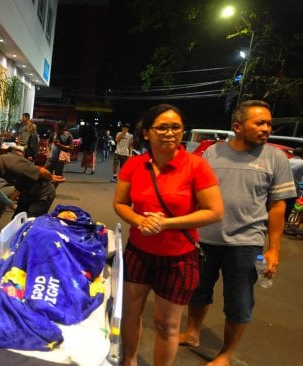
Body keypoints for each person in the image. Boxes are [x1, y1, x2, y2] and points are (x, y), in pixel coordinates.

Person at [179, 100, 296, 366]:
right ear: (237, 127)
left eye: (269, 123)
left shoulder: (275, 158)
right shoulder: (212, 154)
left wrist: (274, 249)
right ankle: (192, 333)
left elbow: (277, 207)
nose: (267, 128)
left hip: (246, 245)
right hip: (205, 240)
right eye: (260, 123)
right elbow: (193, 193)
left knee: (239, 303)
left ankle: (225, 355)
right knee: (197, 292)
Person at [112, 104, 224, 366]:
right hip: (138, 254)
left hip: (179, 259)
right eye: (162, 127)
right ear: (147, 133)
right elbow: (119, 204)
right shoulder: (134, 165)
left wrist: (166, 224)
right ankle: (129, 360)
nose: (170, 132)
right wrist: (139, 220)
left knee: (167, 325)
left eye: (176, 127)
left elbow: (214, 211)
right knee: (129, 313)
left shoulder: (196, 166)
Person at [0, 148, 56, 218]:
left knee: (28, 225)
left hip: (42, 194)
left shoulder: (13, 165)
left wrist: (51, 179)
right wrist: (12, 204)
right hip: (27, 194)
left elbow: (42, 172)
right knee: (15, 223)